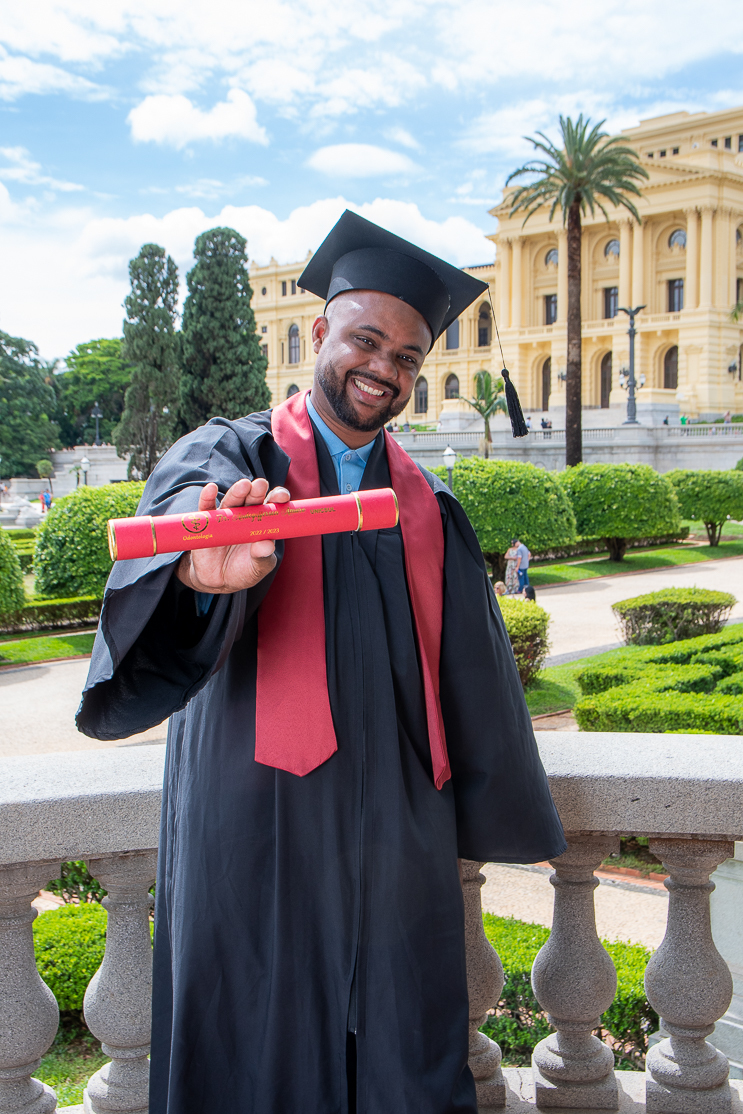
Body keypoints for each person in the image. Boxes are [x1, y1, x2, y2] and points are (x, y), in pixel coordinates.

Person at [77, 210, 564, 1114]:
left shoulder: (425, 501)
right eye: (366, 340)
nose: (384, 368)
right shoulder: (235, 455)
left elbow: (471, 675)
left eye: (408, 357)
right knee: (252, 1032)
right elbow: (188, 511)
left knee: (402, 1042)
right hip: (255, 817)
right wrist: (202, 567)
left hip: (394, 827)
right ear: (317, 334)